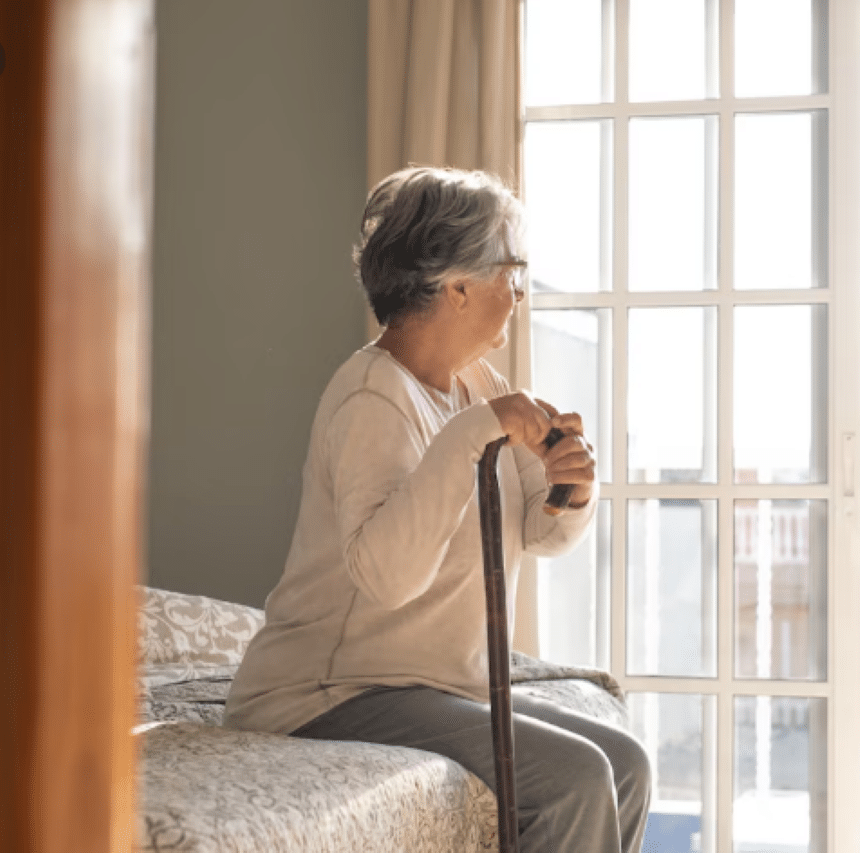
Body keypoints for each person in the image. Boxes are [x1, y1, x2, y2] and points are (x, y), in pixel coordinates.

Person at [222, 166, 651, 853]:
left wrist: (568, 489)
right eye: (513, 272)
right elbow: (389, 575)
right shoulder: (371, 397)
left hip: (429, 680)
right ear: (457, 286)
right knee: (575, 777)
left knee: (624, 762)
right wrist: (476, 432)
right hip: (330, 690)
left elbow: (532, 532)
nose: (519, 292)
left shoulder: (476, 384)